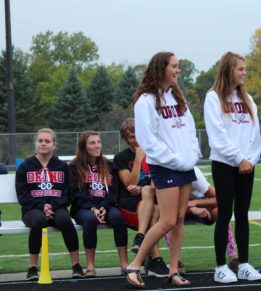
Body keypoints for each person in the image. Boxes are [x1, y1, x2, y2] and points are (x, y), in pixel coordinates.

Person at [126, 51, 201, 288]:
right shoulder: (146, 101)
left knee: (179, 219)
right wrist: (174, 159)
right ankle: (135, 265)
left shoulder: (177, 99)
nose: (178, 70)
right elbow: (147, 140)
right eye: (174, 66)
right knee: (167, 220)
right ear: (161, 69)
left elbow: (190, 131)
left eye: (179, 66)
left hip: (184, 166)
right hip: (166, 167)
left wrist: (191, 155)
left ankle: (173, 270)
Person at [204, 52, 261, 283]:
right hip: (225, 164)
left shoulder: (248, 100)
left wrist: (250, 159)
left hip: (247, 165)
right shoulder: (213, 98)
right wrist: (239, 159)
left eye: (245, 69)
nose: (244, 73)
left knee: (243, 214)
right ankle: (220, 266)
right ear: (229, 70)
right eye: (240, 69)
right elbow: (217, 136)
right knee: (225, 213)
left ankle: (244, 263)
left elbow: (254, 134)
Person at [15, 128, 84, 280]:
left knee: (65, 221)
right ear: (35, 144)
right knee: (39, 221)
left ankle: (76, 265)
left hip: (57, 207)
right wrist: (41, 206)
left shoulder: (62, 166)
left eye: (47, 141)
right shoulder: (26, 166)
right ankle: (32, 267)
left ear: (54, 145)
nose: (43, 144)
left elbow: (69, 194)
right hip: (32, 209)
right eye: (40, 141)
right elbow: (22, 195)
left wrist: (52, 205)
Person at [113, 118, 168, 277]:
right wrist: (138, 158)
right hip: (130, 203)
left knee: (152, 199)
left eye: (139, 134)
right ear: (126, 138)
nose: (136, 139)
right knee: (152, 205)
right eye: (131, 136)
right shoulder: (121, 158)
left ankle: (140, 237)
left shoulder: (155, 153)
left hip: (152, 199)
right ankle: (155, 259)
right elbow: (129, 184)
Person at [69, 131, 128, 277]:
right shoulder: (74, 166)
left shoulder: (109, 165)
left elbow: (114, 192)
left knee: (118, 218)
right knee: (90, 220)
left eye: (98, 142)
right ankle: (90, 265)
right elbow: (76, 194)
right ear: (84, 146)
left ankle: (124, 263)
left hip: (105, 205)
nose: (97, 146)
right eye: (92, 143)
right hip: (83, 207)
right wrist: (92, 208)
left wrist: (103, 206)